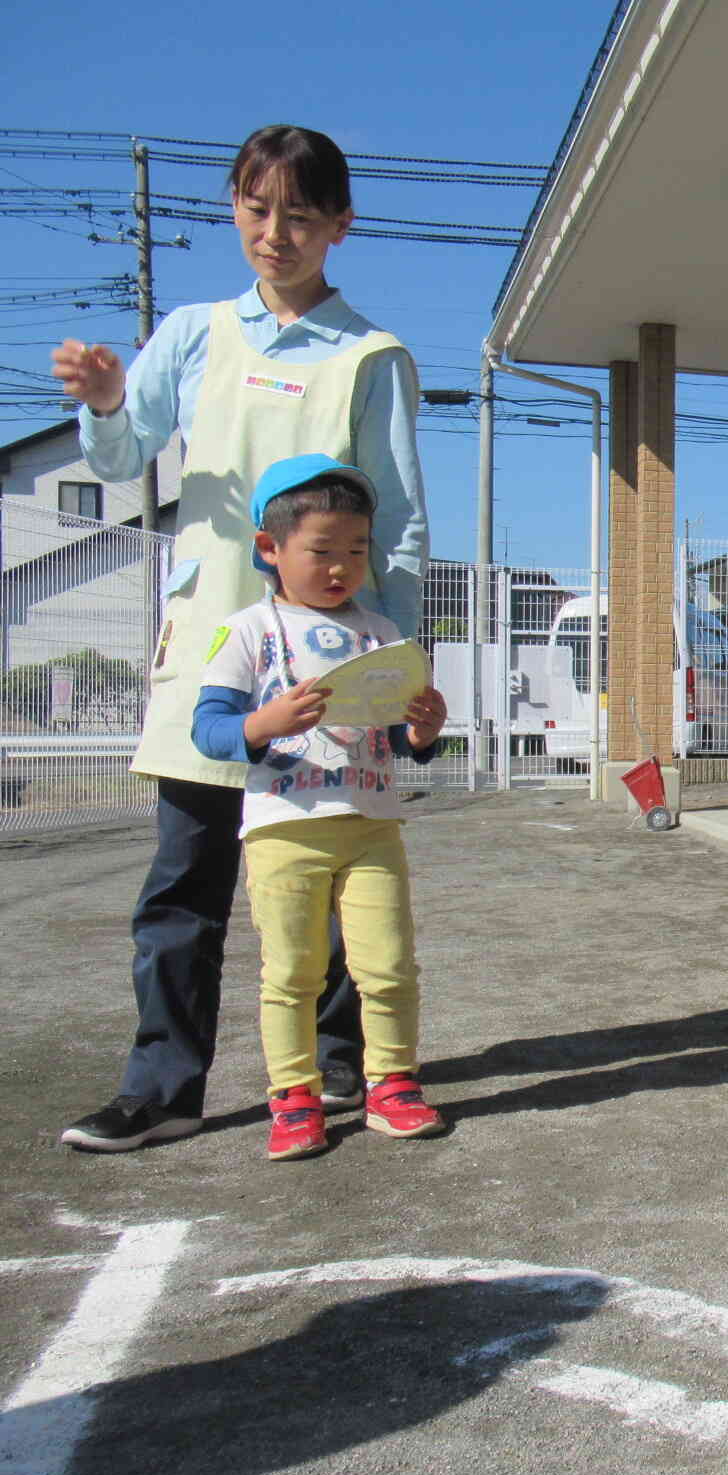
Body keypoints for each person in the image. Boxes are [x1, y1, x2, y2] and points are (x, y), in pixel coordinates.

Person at [51, 125, 428, 1153]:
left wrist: (402, 672)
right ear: (232, 209)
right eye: (258, 209)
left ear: (340, 227)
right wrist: (102, 405)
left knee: (339, 869)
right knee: (184, 881)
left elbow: (398, 524)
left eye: (301, 215)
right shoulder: (192, 333)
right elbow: (128, 451)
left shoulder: (370, 357)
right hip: (212, 654)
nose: (276, 233)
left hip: (334, 669)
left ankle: (338, 1067)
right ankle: (162, 1088)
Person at [191, 454, 446, 1160]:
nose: (341, 568)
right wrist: (264, 723)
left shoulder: (383, 633)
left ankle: (392, 1084)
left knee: (389, 965)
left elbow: (400, 737)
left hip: (372, 827)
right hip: (281, 829)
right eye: (322, 552)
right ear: (269, 550)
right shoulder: (248, 630)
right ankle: (294, 1098)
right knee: (292, 973)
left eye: (357, 551)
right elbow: (208, 728)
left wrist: (423, 730)